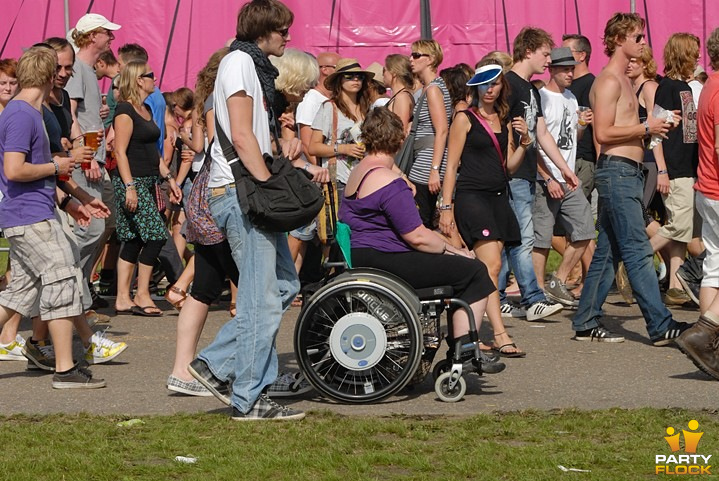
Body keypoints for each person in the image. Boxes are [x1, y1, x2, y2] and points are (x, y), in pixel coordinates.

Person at [189, 0, 306, 421]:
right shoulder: (239, 61)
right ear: (263, 31)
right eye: (283, 30)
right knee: (261, 301)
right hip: (240, 192)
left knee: (283, 286)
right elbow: (241, 134)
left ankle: (215, 363)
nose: (288, 37)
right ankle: (250, 399)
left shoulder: (250, 65)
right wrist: (266, 182)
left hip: (243, 190)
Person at [339, 106, 504, 373]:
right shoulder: (389, 182)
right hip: (385, 259)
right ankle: (464, 351)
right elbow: (417, 236)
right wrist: (454, 250)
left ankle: (460, 347)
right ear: (401, 139)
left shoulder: (360, 172)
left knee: (460, 269)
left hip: (365, 253)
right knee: (474, 271)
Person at [574, 12, 691, 345]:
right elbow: (603, 131)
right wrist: (646, 127)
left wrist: (658, 122)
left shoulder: (625, 79)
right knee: (638, 250)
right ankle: (660, 325)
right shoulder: (610, 80)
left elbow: (623, 126)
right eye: (637, 37)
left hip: (627, 172)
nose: (644, 42)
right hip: (617, 172)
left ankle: (584, 320)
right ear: (618, 40)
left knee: (608, 253)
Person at [0, 46, 105, 388]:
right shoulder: (22, 114)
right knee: (62, 280)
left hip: (32, 213)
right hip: (29, 216)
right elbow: (14, 169)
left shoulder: (26, 111)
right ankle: (64, 369)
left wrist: (74, 198)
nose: (64, 78)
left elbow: (36, 171)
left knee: (17, 296)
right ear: (47, 77)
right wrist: (59, 164)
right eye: (59, 72)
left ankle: (62, 364)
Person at [439, 62, 530, 357]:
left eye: (495, 84)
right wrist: (446, 207)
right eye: (484, 84)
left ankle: (472, 331)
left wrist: (525, 143)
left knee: (487, 267)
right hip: (471, 197)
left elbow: (509, 168)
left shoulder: (504, 120)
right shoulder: (465, 117)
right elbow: (451, 166)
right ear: (475, 86)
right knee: (492, 265)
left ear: (502, 86)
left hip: (498, 197)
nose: (490, 89)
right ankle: (499, 333)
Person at [498, 26, 575, 321]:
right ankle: (532, 298)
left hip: (527, 173)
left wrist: (564, 169)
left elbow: (540, 132)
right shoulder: (509, 84)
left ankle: (501, 297)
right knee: (523, 237)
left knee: (512, 239)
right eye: (544, 54)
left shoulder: (531, 88)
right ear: (528, 51)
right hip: (513, 173)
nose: (548, 60)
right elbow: (500, 128)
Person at [112, 61, 181, 317]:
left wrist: (169, 178)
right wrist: (129, 187)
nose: (155, 78)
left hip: (149, 179)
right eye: (150, 75)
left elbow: (153, 151)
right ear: (139, 80)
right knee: (156, 235)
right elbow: (120, 151)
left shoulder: (145, 110)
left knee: (135, 238)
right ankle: (141, 294)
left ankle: (122, 298)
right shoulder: (124, 110)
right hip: (132, 182)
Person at [532, 47, 595, 307]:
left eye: (572, 68)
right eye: (565, 69)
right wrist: (547, 177)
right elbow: (534, 145)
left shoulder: (570, 98)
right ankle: (536, 293)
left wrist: (581, 126)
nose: (571, 73)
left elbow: (569, 140)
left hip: (569, 177)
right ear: (552, 70)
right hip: (546, 178)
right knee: (542, 239)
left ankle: (558, 279)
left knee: (585, 230)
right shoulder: (541, 98)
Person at [677, 26, 719, 379]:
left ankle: (708, 344)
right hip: (717, 187)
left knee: (715, 265)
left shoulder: (709, 86)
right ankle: (705, 334)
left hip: (708, 186)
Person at [649, 33, 701, 306]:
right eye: (694, 52)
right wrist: (662, 170)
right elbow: (655, 134)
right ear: (683, 54)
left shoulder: (688, 88)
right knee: (678, 225)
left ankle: (676, 286)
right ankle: (637, 260)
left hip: (689, 168)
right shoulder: (666, 87)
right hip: (674, 168)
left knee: (682, 232)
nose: (699, 57)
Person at [407, 39, 452, 228]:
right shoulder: (429, 87)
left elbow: (442, 130)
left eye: (416, 55)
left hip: (428, 163)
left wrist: (434, 171)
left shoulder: (433, 89)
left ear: (431, 59)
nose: (411, 59)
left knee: (420, 222)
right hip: (425, 160)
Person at [563, 34, 598, 201]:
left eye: (566, 51)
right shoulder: (566, 86)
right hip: (566, 159)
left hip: (582, 159)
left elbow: (597, 127)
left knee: (575, 209)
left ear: (582, 55)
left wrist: (600, 161)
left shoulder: (591, 84)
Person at [383, 53, 415, 133]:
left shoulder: (402, 97)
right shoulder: (400, 96)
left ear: (393, 73)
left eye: (384, 70)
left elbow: (401, 131)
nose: (383, 75)